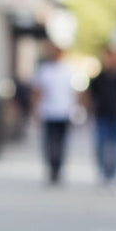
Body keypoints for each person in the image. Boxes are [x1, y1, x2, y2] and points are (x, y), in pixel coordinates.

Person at [32, 40, 76, 183]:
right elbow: (38, 91)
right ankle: (51, 168)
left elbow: (74, 93)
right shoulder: (44, 70)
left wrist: (75, 109)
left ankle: (58, 168)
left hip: (64, 112)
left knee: (61, 143)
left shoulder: (67, 71)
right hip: (48, 112)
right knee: (49, 143)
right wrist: (35, 110)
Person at [87, 45, 116, 184]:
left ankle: (113, 174)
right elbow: (89, 96)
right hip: (102, 116)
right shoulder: (99, 79)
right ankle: (102, 172)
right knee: (101, 145)